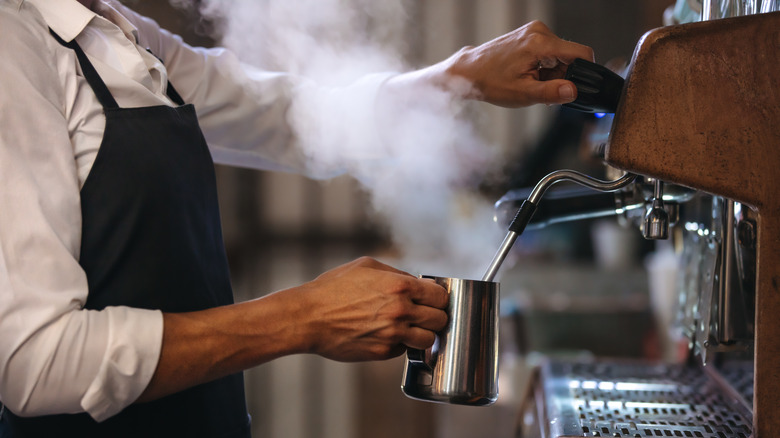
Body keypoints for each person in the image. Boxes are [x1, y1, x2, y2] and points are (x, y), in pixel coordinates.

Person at [0, 0, 594, 436]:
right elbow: (35, 360)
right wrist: (301, 318)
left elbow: (288, 116)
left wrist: (459, 76)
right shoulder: (13, 48)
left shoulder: (116, 31)